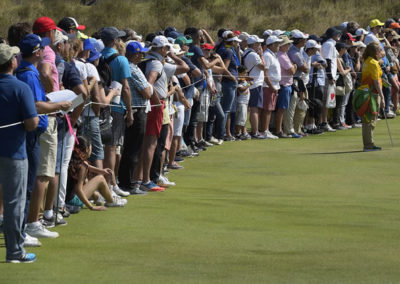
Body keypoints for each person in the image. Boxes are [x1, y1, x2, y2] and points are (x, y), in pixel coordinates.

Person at [0, 43, 39, 263]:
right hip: (14, 153)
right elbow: (32, 123)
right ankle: (15, 252)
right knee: (14, 202)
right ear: (12, 62)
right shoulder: (20, 87)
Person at [66, 136, 125, 209]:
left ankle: (98, 198)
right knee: (100, 179)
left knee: (90, 184)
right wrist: (91, 207)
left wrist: (102, 171)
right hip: (73, 201)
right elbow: (78, 189)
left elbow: (88, 167)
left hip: (65, 199)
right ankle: (111, 201)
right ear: (86, 149)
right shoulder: (82, 166)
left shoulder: (71, 159)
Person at [359, 42, 385, 151]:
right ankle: (369, 145)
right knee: (370, 119)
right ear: (374, 52)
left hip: (367, 92)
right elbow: (376, 82)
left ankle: (369, 143)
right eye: (379, 50)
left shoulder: (367, 61)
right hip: (372, 93)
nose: (381, 52)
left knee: (368, 120)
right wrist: (382, 96)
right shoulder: (373, 63)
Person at [241, 35, 266, 139]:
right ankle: (255, 132)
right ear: (254, 45)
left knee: (251, 108)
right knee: (254, 109)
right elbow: (263, 66)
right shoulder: (254, 55)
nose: (260, 45)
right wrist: (261, 55)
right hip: (255, 84)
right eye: (259, 44)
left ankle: (249, 131)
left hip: (252, 83)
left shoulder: (247, 52)